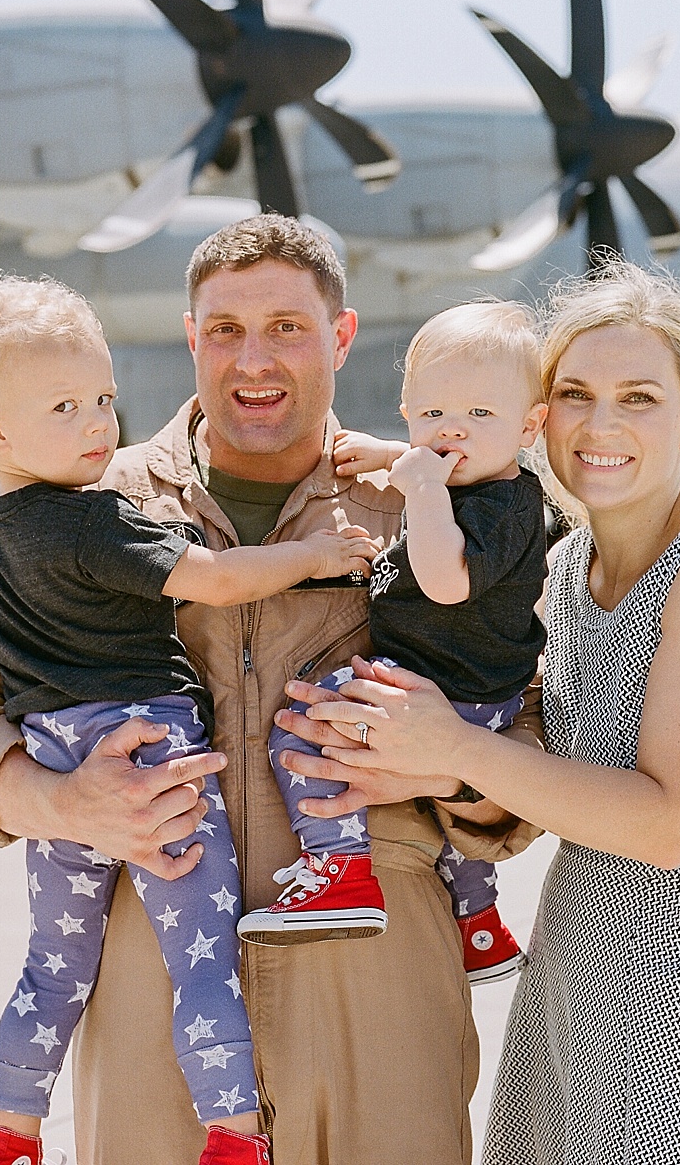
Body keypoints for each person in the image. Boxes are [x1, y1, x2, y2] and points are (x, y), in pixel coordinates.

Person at [0, 215, 543, 1165]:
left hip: (379, 1004)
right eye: (227, 329)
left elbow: (529, 732)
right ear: (192, 337)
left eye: (288, 326)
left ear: (341, 337)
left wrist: (446, 763)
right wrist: (58, 799)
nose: (256, 358)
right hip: (151, 1014)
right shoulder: (72, 501)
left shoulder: (434, 503)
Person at [278, 259, 680, 1162]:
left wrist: (455, 744)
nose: (601, 422)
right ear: (542, 414)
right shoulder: (563, 571)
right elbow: (537, 782)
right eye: (576, 391)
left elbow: (665, 824)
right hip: (569, 1018)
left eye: (640, 397)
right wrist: (432, 764)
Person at [0, 274, 378, 1165]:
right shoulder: (101, 520)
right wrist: (316, 553)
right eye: (66, 407)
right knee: (199, 960)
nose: (96, 424)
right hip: (155, 753)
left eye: (103, 400)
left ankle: (11, 1129)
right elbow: (216, 578)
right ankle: (234, 1134)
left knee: (52, 965)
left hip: (61, 752)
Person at [234, 301, 546, 988]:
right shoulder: (477, 475)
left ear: (531, 426)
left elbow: (442, 581)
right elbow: (435, 458)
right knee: (450, 836)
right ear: (408, 411)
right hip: (477, 690)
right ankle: (480, 926)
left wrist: (423, 488)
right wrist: (397, 458)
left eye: (481, 417)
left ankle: (339, 872)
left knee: (302, 734)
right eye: (432, 415)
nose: (451, 431)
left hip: (446, 695)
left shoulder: (502, 505)